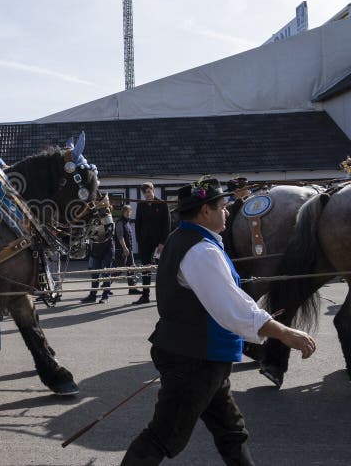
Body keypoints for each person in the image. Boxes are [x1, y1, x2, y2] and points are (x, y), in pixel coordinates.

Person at [121, 177, 316, 466]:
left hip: (203, 358)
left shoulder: (184, 240)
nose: (226, 213)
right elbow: (234, 310)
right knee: (163, 436)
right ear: (204, 212)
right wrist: (285, 333)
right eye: (222, 207)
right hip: (194, 359)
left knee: (232, 432)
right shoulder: (202, 251)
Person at [133, 182, 171, 305]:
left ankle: (163, 296)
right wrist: (139, 240)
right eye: (145, 193)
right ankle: (145, 295)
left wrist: (162, 243)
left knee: (162, 270)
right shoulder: (141, 205)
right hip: (145, 242)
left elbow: (167, 225)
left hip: (159, 243)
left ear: (153, 191)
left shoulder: (162, 204)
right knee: (145, 269)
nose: (147, 194)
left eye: (149, 192)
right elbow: (138, 224)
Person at [81, 236, 115, 304]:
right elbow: (88, 237)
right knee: (94, 274)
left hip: (107, 250)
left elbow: (109, 234)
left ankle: (105, 297)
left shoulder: (109, 225)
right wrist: (87, 244)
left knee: (106, 274)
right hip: (95, 251)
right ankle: (92, 296)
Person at [114, 204, 137, 287]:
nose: (128, 213)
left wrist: (128, 249)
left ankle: (132, 288)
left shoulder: (127, 222)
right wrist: (124, 248)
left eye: (129, 212)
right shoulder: (120, 222)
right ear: (123, 212)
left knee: (131, 268)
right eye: (126, 211)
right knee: (118, 270)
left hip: (129, 249)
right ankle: (106, 286)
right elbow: (120, 236)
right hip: (122, 250)